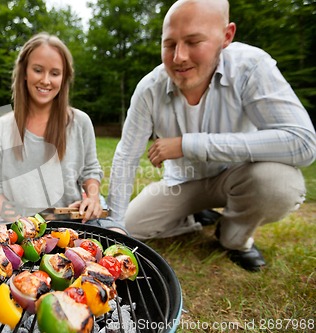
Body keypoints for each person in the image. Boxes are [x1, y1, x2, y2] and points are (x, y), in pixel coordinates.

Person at [108, 0, 316, 271]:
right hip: (182, 183)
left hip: (240, 177)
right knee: (131, 224)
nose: (179, 57)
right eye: (169, 44)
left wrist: (189, 144)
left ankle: (234, 237)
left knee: (279, 183)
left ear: (226, 36)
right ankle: (193, 216)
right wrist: (114, 224)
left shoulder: (251, 67)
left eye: (193, 42)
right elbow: (126, 156)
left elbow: (302, 143)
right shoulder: (149, 88)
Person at [0, 32, 126, 233]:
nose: (46, 80)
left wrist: (92, 198)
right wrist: (20, 221)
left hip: (73, 225)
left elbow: (90, 171)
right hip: (18, 229)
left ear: (64, 77)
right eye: (38, 70)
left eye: (55, 73)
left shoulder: (80, 122)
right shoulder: (0, 128)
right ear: (24, 72)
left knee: (119, 234)